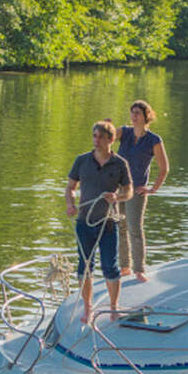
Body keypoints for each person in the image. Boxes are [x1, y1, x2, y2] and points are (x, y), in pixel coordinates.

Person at [65, 119, 133, 323]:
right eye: (94, 136)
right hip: (84, 221)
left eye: (101, 137)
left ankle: (113, 308)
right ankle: (88, 308)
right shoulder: (82, 160)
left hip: (108, 223)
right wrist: (70, 203)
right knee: (85, 265)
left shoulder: (120, 164)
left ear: (111, 139)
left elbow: (129, 191)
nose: (97, 140)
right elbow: (70, 187)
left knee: (110, 266)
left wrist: (117, 197)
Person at [115, 100, 169, 282]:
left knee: (134, 228)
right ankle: (124, 267)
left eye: (137, 113)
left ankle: (139, 269)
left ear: (146, 116)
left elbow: (164, 168)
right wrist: (108, 127)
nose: (133, 116)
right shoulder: (124, 132)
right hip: (118, 187)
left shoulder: (154, 140)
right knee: (120, 227)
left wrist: (153, 188)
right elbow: (107, 138)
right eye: (132, 112)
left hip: (136, 190)